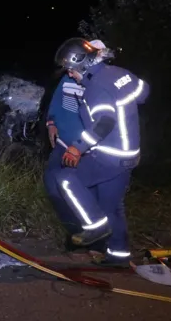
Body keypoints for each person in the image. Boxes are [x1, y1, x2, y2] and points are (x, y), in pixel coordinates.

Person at [51, 37, 149, 266]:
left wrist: (77, 148)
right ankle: (119, 256)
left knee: (65, 178)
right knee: (112, 205)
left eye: (71, 70)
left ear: (82, 64)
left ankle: (95, 226)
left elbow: (104, 123)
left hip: (111, 156)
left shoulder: (95, 88)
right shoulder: (119, 74)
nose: (70, 75)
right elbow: (144, 93)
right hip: (130, 154)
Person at [43, 40, 110, 251]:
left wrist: (83, 147)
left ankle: (97, 239)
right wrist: (51, 123)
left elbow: (105, 120)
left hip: (86, 149)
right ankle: (74, 234)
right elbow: (55, 102)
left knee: (84, 191)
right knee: (54, 187)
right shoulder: (69, 76)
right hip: (63, 143)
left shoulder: (98, 82)